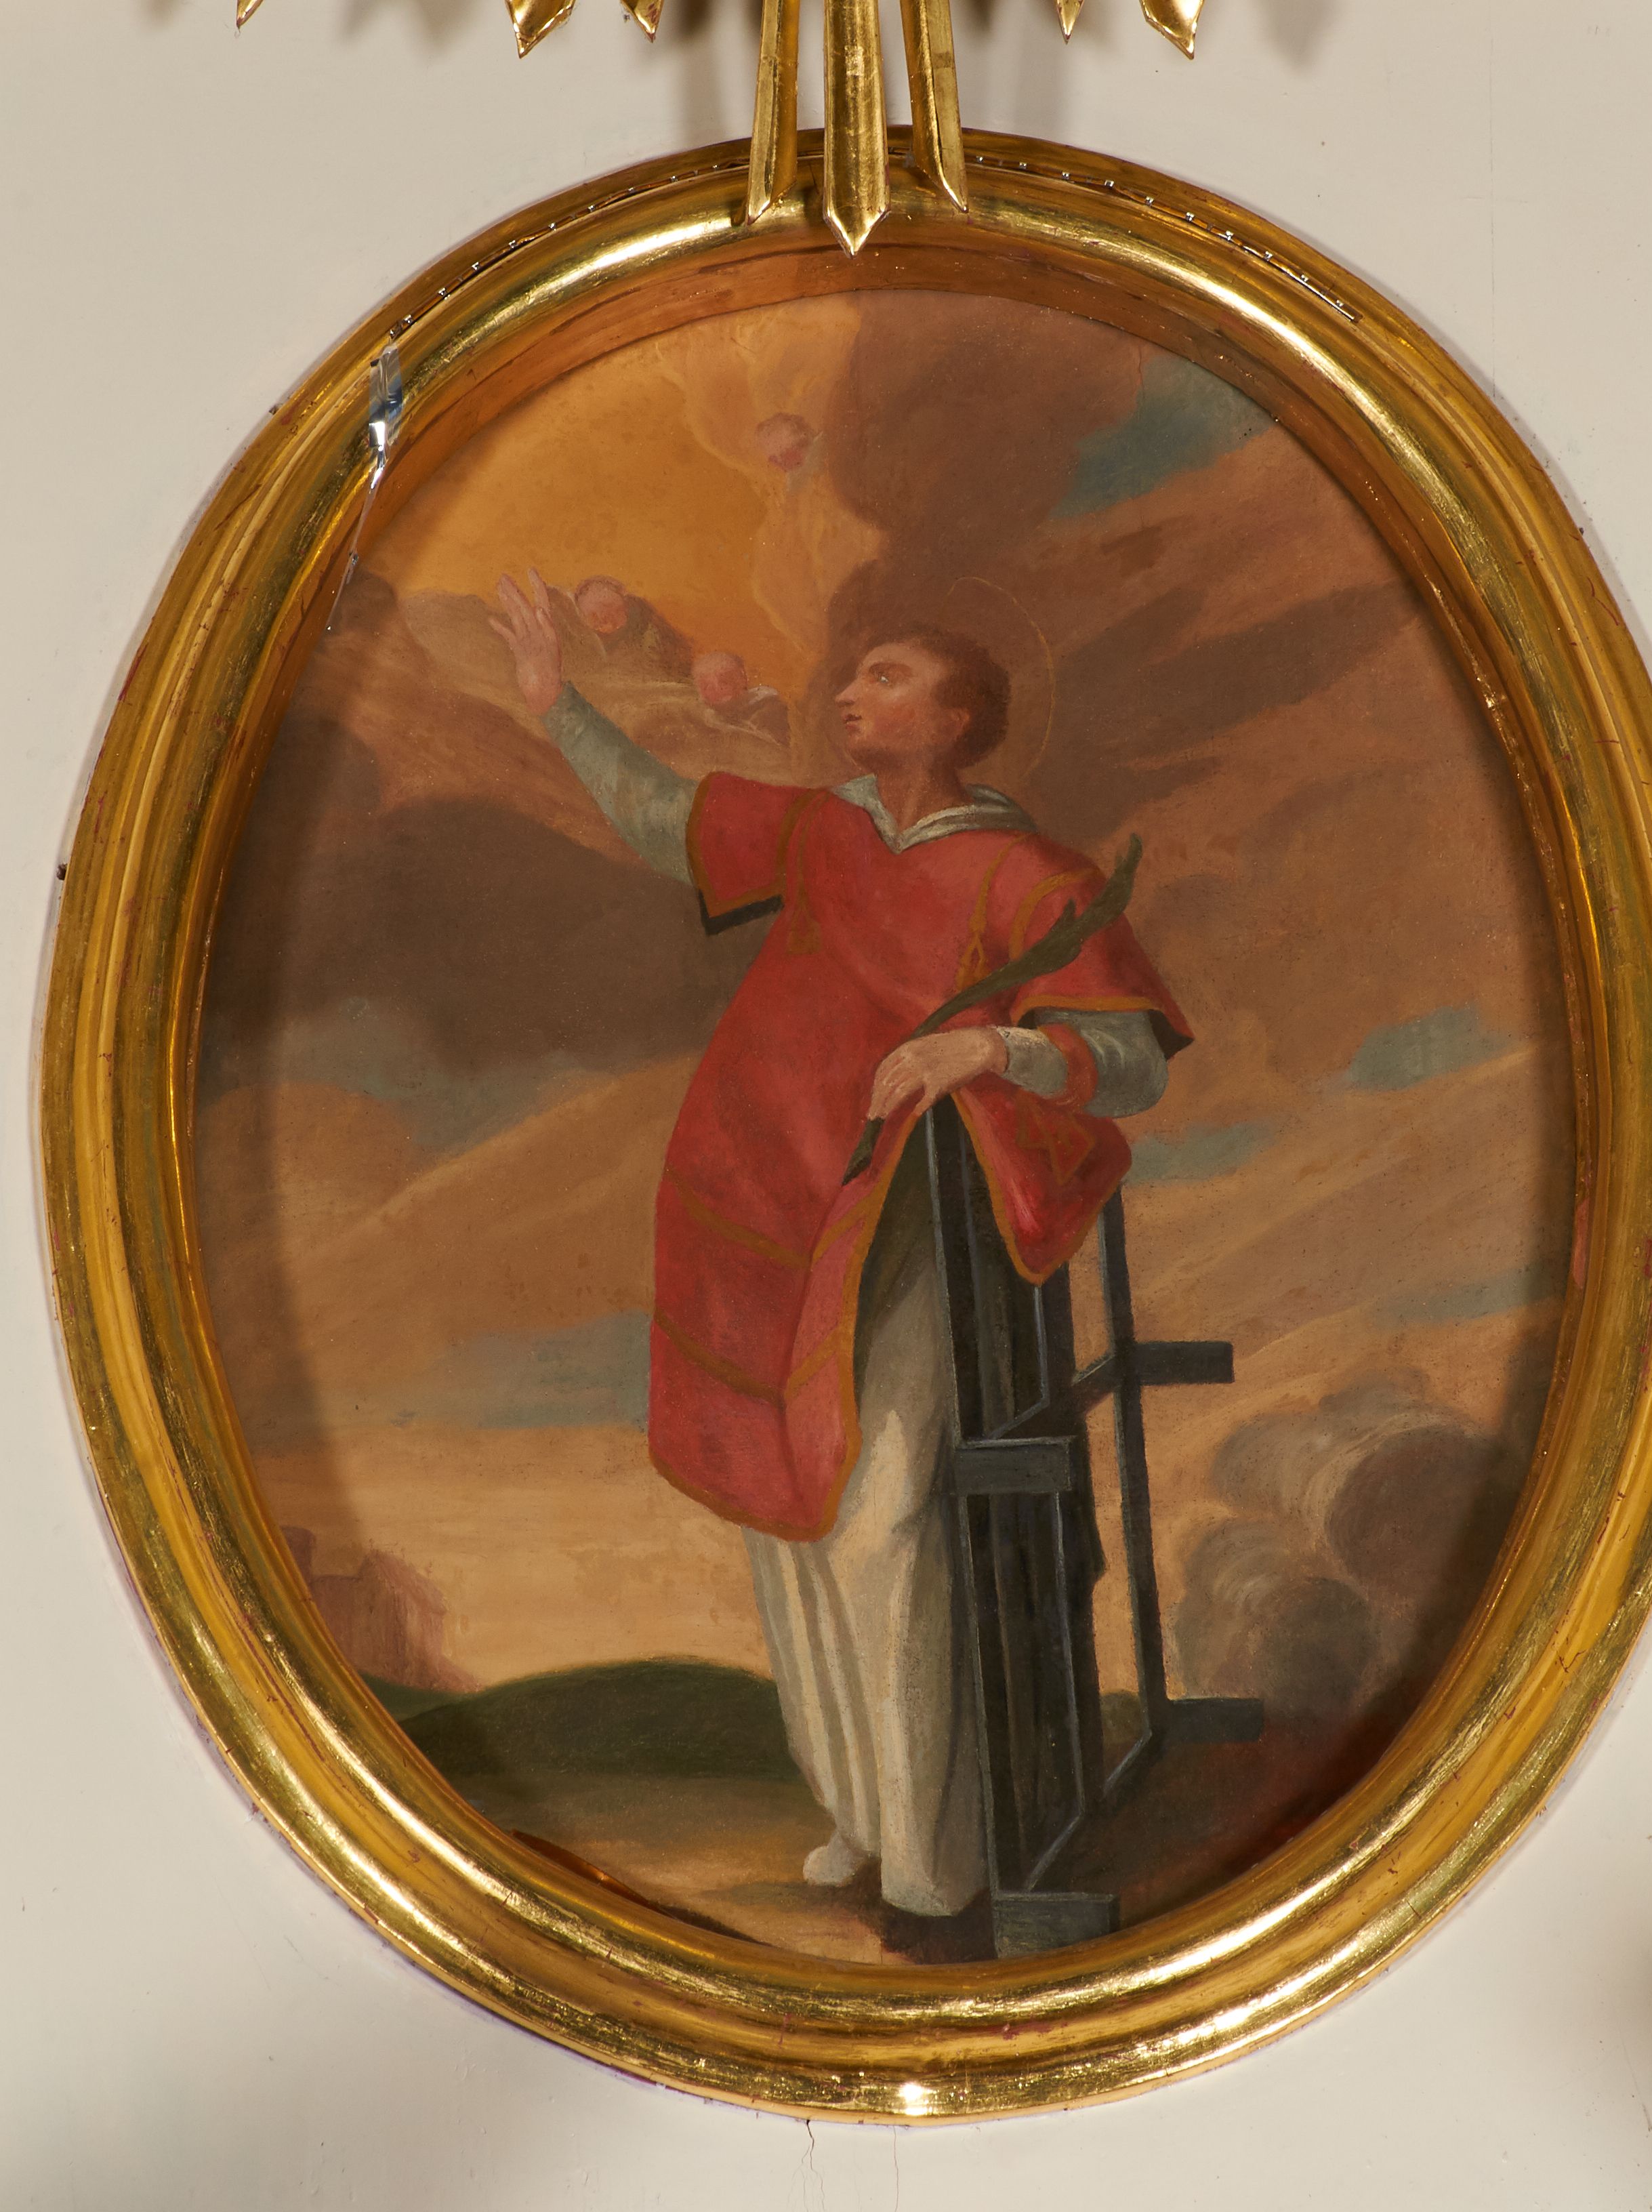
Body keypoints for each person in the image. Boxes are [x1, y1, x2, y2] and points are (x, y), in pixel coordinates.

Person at [491, 571, 1191, 1954]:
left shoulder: (1029, 877)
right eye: (855, 674)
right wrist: (555, 704)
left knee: (880, 1517)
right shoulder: (824, 831)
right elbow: (663, 817)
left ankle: (933, 1862)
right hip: (762, 1197)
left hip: (911, 1226)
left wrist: (985, 1046)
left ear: (957, 718)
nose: (851, 694)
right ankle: (861, 1813)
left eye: (886, 676)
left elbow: (1127, 1061)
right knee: (790, 1519)